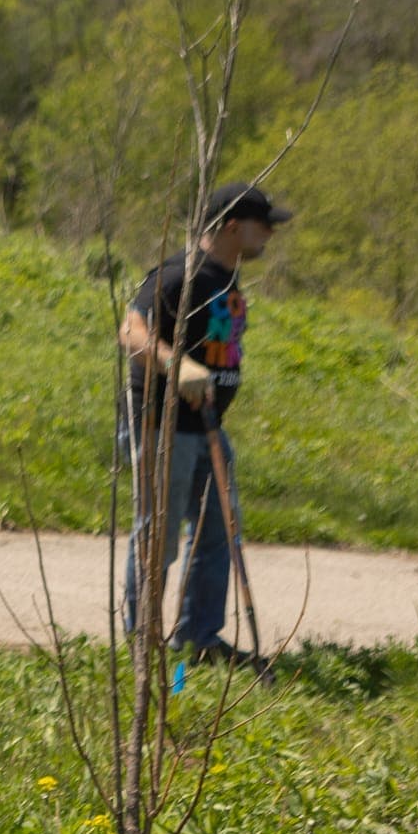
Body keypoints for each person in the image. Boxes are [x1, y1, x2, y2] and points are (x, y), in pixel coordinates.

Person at [117, 180, 290, 664]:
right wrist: (177, 365)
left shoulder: (226, 278)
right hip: (162, 426)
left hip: (209, 429)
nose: (270, 237)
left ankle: (197, 642)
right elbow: (131, 332)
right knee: (160, 536)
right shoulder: (178, 275)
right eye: (263, 227)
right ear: (232, 226)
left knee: (217, 532)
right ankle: (143, 646)